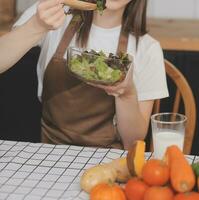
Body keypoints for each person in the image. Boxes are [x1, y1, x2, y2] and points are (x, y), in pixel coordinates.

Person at [0, 0, 168, 149]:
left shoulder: (147, 49)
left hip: (107, 160)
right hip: (49, 152)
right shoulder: (55, 16)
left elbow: (132, 142)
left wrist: (127, 93)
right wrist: (37, 25)